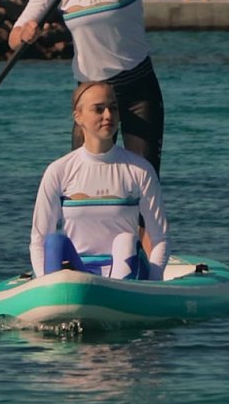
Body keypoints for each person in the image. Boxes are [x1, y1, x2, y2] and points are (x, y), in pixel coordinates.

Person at [9, 0, 165, 174]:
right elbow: (15, 35)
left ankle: (141, 222)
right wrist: (26, 33)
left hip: (137, 90)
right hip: (91, 93)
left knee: (143, 180)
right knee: (84, 180)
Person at [29, 81, 169, 279]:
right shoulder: (58, 171)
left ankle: (120, 296)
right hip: (79, 273)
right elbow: (39, 239)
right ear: (78, 117)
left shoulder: (140, 169)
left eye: (113, 108)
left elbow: (160, 237)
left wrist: (155, 283)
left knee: (126, 241)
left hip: (129, 272)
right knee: (54, 242)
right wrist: (44, 284)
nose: (108, 116)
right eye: (98, 109)